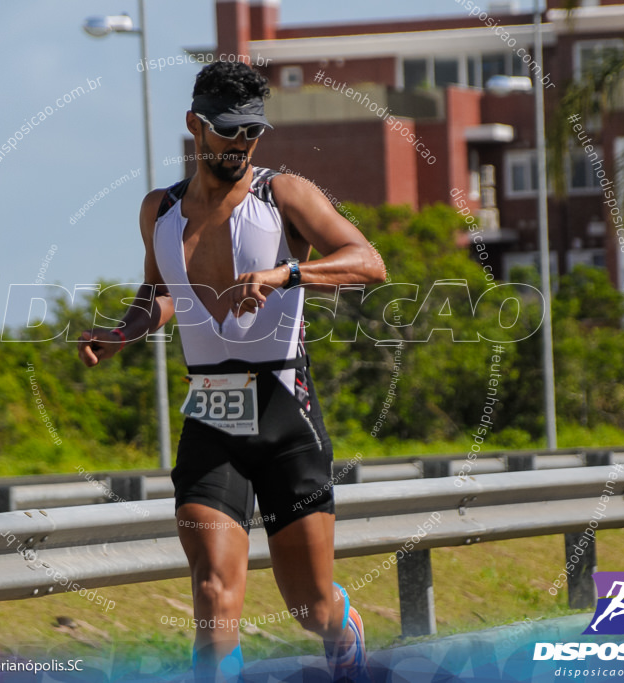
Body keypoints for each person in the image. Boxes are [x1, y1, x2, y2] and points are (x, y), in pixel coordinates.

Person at [77, 60, 386, 682]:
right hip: (211, 420)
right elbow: (162, 291)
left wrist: (286, 274)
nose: (240, 144)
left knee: (311, 606)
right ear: (195, 126)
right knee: (215, 599)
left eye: (251, 132)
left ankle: (342, 627)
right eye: (227, 131)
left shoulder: (285, 193)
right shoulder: (157, 210)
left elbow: (369, 262)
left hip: (285, 420)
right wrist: (124, 331)